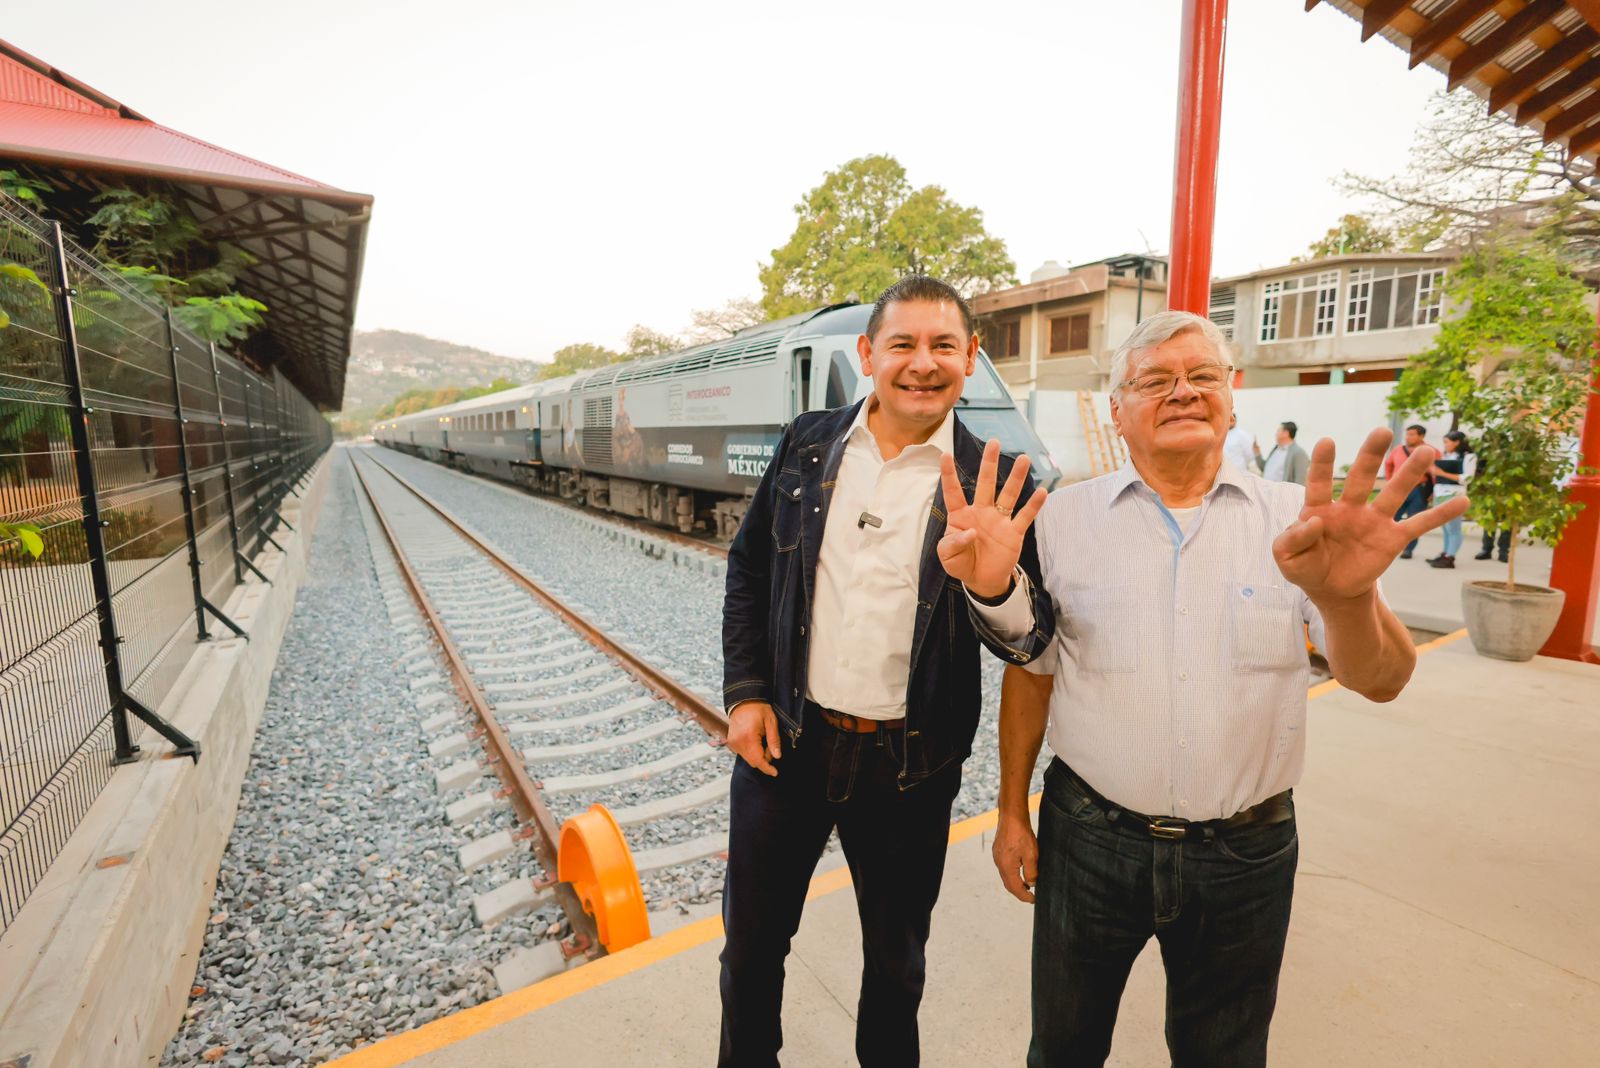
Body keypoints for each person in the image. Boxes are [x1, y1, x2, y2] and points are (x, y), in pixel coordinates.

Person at [989, 311, 1466, 1067]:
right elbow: (1033, 674)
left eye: (1202, 375)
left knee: (1226, 1055)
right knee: (1063, 1047)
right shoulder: (1062, 522)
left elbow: (1383, 682)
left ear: (1232, 397)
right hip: (1090, 840)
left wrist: (1346, 599)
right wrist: (1012, 813)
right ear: (1117, 410)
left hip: (1245, 854)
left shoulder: (1299, 522)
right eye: (1153, 379)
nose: (1182, 392)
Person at [719, 276, 1056, 1067]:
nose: (922, 363)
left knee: (896, 972)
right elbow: (748, 572)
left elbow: (1032, 644)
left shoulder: (998, 482)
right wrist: (746, 694)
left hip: (910, 769)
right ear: (869, 354)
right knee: (750, 956)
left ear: (971, 358)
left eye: (944, 345)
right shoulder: (808, 443)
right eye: (902, 343)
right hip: (787, 752)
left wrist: (994, 585)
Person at [1384, 423, 1433, 558]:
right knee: (1391, 518)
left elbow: (1436, 473)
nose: (1408, 437)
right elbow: (1388, 465)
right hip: (1398, 490)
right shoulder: (1398, 450)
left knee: (1414, 521)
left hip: (1419, 490)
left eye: (1412, 434)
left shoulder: (1430, 451)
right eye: (1407, 434)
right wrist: (1389, 482)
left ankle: (1408, 549)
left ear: (1421, 436)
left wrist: (1433, 492)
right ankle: (1385, 544)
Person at [1427, 431, 1475, 568]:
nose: (1445, 445)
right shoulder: (1447, 455)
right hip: (1440, 493)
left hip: (1454, 494)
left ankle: (1450, 557)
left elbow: (1468, 478)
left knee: (1454, 528)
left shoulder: (1469, 457)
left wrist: (1442, 473)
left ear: (1457, 442)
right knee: (1445, 527)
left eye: (1447, 442)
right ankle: (1445, 553)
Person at [1254, 420, 1310, 485]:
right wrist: (1257, 453)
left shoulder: (1299, 453)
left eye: (1278, 431)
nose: (1276, 434)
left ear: (1285, 433)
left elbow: (1299, 482)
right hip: (1266, 492)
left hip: (1281, 494)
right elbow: (1264, 468)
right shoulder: (1275, 449)